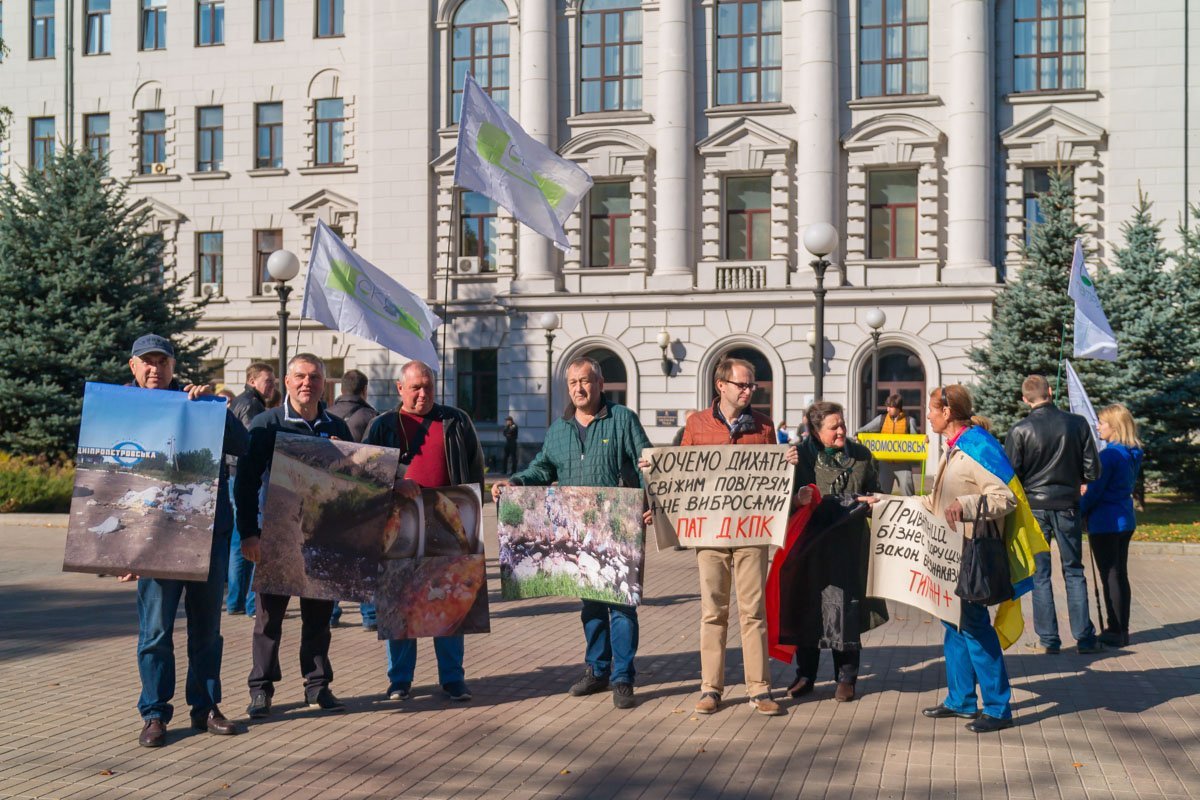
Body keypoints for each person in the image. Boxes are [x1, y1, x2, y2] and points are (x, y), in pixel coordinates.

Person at [491, 357, 651, 710]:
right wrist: (514, 482)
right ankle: (597, 670)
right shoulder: (559, 429)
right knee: (590, 606)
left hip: (618, 530)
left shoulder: (622, 419)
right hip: (578, 533)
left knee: (622, 606)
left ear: (600, 383)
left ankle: (623, 678)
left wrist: (650, 500)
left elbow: (645, 463)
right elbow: (542, 468)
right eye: (573, 383)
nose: (579, 388)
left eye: (586, 381)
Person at [866, 385, 1019, 733]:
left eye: (932, 409)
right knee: (952, 624)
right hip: (947, 554)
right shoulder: (953, 450)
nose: (928, 415)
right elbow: (934, 502)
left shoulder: (976, 449)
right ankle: (962, 700)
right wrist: (884, 501)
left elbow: (1005, 498)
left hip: (970, 553)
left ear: (947, 412)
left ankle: (997, 707)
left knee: (976, 627)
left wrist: (963, 506)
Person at [121, 334, 248, 747]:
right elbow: (108, 473)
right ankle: (155, 714)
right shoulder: (120, 409)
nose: (155, 368)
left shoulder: (198, 403)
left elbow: (241, 444)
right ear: (133, 367)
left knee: (207, 630)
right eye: (147, 361)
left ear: (174, 367)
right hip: (154, 542)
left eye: (163, 361)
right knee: (155, 632)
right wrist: (121, 549)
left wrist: (215, 411)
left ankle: (205, 707)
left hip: (205, 537)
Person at [679, 357, 805, 717]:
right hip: (710, 532)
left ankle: (759, 689)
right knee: (712, 612)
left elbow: (775, 484)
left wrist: (788, 462)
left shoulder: (765, 427)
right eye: (743, 385)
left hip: (752, 531)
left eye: (752, 385)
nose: (750, 390)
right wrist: (654, 472)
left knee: (753, 612)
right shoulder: (696, 425)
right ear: (722, 386)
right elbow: (681, 476)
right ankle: (710, 689)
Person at [235, 353, 353, 718]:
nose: (307, 383)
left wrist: (344, 456)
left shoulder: (336, 425)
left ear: (323, 384)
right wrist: (249, 534)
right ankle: (261, 689)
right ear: (286, 382)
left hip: (322, 538)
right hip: (276, 536)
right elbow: (246, 482)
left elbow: (354, 485)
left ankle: (317, 685)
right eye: (300, 376)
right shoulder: (266, 423)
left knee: (318, 617)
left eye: (315, 377)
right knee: (268, 618)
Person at [364, 360, 485, 702]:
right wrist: (394, 483)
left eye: (428, 387)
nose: (422, 394)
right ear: (399, 388)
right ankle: (400, 680)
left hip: (449, 522)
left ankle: (453, 679)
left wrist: (470, 514)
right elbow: (367, 476)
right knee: (401, 602)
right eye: (415, 387)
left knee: (448, 601)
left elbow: (475, 469)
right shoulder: (382, 426)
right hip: (398, 525)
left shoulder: (456, 421)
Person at [788, 401, 887, 703]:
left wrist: (874, 501)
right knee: (808, 609)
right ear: (816, 431)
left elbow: (877, 492)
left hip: (847, 545)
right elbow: (780, 499)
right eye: (834, 427)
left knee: (843, 609)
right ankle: (805, 675)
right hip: (809, 546)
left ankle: (846, 676)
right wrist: (796, 500)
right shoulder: (799, 457)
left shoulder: (860, 456)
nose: (841, 430)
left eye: (842, 424)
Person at [1004, 374, 1103, 655]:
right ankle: (1085, 638)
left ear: (1025, 399)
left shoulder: (1020, 429)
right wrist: (1076, 479)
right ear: (1050, 391)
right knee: (1074, 571)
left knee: (1040, 574)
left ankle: (1048, 639)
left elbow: (1011, 474)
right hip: (1068, 505)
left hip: (1034, 508)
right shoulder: (1077, 424)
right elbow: (1093, 470)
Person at [1081, 404, 1143, 648]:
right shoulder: (1132, 451)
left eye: (1102, 423)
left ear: (1114, 427)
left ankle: (1115, 628)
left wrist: (1080, 508)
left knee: (1111, 575)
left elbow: (1096, 491)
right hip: (1124, 518)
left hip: (1106, 521)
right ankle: (1121, 627)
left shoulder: (1109, 455)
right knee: (1119, 574)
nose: (1097, 426)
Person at [328, 369, 379, 631]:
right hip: (360, 493)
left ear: (341, 389)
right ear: (364, 390)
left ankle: (332, 612)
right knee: (362, 555)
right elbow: (374, 457)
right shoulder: (370, 416)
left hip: (331, 493)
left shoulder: (326, 414)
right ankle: (369, 615)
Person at [226, 363, 277, 619]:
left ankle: (236, 601)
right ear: (252, 380)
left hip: (234, 474)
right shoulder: (252, 406)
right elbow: (247, 445)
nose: (272, 386)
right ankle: (246, 602)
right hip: (242, 476)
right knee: (246, 539)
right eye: (268, 381)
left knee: (239, 540)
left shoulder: (241, 401)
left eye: (274, 382)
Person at [856, 393, 921, 495]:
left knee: (909, 496)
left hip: (903, 464)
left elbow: (916, 441)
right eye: (887, 407)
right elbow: (864, 430)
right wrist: (857, 435)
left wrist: (923, 441)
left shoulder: (909, 421)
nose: (887, 409)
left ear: (898, 408)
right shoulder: (881, 419)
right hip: (884, 464)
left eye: (890, 407)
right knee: (882, 495)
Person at [229, 363, 276, 428]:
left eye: (273, 381)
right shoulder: (252, 404)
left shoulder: (239, 399)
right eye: (268, 381)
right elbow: (252, 434)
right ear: (252, 382)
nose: (273, 385)